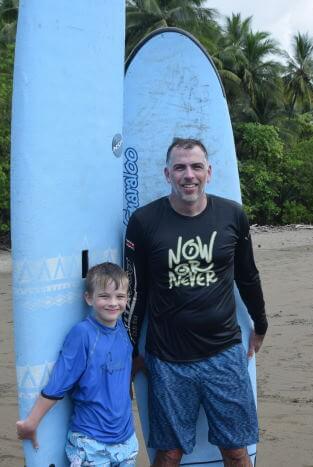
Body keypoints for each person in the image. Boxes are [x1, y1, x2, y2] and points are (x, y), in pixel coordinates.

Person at [124, 138, 268, 467]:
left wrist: (261, 323)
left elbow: (247, 276)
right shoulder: (144, 222)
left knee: (235, 450)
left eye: (196, 166)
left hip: (224, 355)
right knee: (170, 453)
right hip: (168, 360)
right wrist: (129, 351)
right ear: (167, 173)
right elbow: (136, 293)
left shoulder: (232, 215)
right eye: (180, 167)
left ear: (209, 172)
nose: (189, 175)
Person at [16, 262, 138, 467]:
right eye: (104, 296)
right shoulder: (82, 334)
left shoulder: (122, 329)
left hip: (125, 440)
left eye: (120, 296)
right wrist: (32, 422)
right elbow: (58, 383)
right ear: (89, 298)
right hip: (90, 443)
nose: (113, 303)